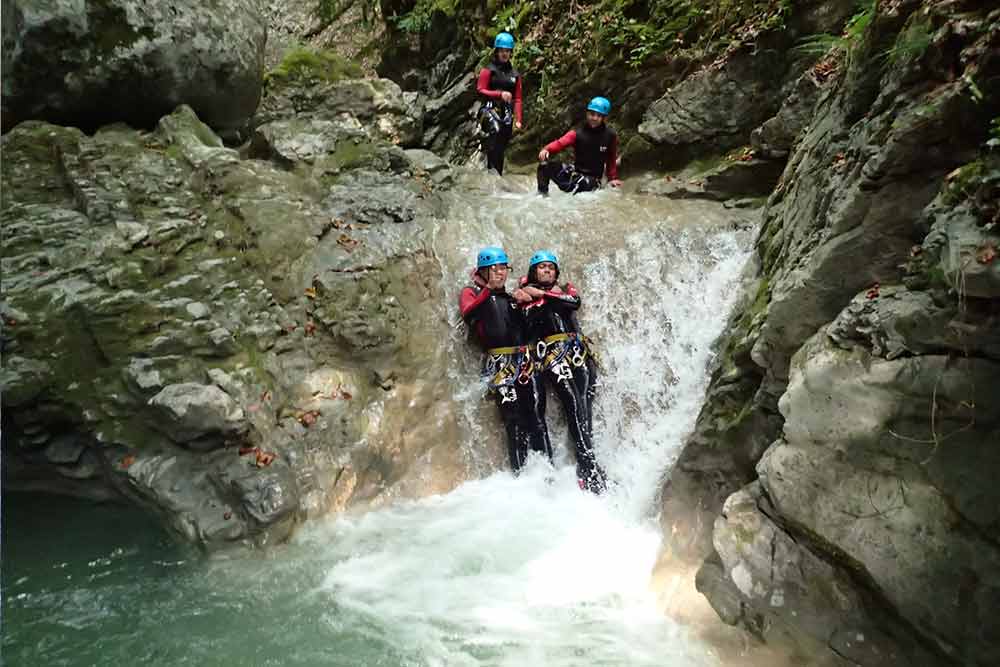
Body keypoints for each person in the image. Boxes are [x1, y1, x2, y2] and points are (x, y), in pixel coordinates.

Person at [518, 250, 608, 493]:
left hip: (578, 351)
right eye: (541, 267)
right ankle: (588, 464)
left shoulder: (565, 290)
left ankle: (586, 463)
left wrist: (542, 295)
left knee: (584, 406)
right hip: (553, 354)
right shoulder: (526, 297)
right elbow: (526, 321)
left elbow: (574, 303)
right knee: (572, 402)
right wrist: (535, 297)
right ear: (533, 272)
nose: (547, 270)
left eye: (550, 267)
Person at [459, 246, 552, 472]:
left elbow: (529, 331)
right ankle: (521, 477)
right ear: (482, 271)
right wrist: (488, 290)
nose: (501, 273)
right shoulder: (471, 293)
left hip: (526, 363)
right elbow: (468, 314)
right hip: (500, 365)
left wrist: (527, 304)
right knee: (514, 423)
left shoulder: (510, 298)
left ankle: (549, 476)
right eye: (495, 269)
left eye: (503, 269)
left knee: (538, 421)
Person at [536, 96, 623, 196]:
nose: (594, 118)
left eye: (599, 116)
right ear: (587, 114)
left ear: (604, 118)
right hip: (576, 174)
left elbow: (611, 159)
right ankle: (542, 196)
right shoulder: (577, 133)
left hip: (592, 181)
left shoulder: (610, 136)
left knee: (584, 182)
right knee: (544, 166)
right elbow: (560, 143)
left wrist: (613, 178)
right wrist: (546, 149)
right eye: (592, 114)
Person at [476, 32, 524, 176]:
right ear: (496, 51)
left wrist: (519, 119)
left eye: (507, 51)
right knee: (496, 132)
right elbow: (480, 90)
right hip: (488, 110)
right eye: (502, 51)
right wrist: (499, 94)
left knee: (502, 144)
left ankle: (497, 176)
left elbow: (518, 99)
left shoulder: (515, 75)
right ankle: (491, 173)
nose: (504, 54)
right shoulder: (488, 70)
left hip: (506, 114)